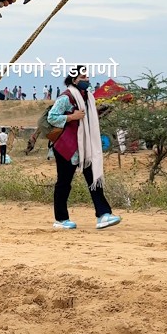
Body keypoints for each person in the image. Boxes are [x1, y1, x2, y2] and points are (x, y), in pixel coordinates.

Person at [47, 66, 121, 230]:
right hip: (67, 148)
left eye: (87, 76)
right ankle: (61, 219)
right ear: (74, 80)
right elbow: (52, 117)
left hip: (85, 148)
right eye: (83, 77)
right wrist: (71, 117)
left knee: (94, 179)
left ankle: (103, 215)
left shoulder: (88, 97)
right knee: (64, 183)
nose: (87, 80)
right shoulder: (66, 97)